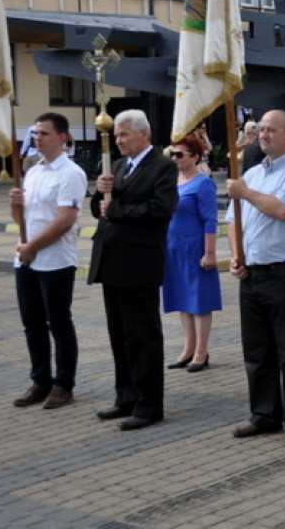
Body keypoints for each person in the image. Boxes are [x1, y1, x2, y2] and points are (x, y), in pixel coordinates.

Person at [227, 109, 285, 446]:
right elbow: (234, 222)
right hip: (252, 273)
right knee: (257, 350)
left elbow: (283, 211)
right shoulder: (250, 173)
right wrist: (237, 255)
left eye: (272, 130)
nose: (264, 135)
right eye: (262, 129)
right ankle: (264, 414)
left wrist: (245, 193)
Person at [89, 109, 177, 431]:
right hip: (112, 261)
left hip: (140, 263)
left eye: (124, 135)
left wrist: (117, 208)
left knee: (143, 336)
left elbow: (161, 210)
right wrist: (99, 190)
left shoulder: (163, 167)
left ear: (144, 135)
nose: (119, 141)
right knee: (119, 336)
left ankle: (149, 404)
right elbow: (99, 210)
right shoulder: (117, 166)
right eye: (117, 136)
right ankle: (125, 396)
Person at [9, 113, 87, 410]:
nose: (37, 137)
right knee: (32, 323)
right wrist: (15, 208)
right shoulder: (33, 171)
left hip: (54, 260)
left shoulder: (71, 173)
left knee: (59, 323)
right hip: (27, 258)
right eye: (35, 133)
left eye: (43, 133)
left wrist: (34, 247)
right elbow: (24, 219)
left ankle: (63, 383)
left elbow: (65, 220)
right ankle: (40, 380)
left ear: (62, 137)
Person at [162, 135, 220, 374]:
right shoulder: (173, 181)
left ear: (195, 157)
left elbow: (210, 219)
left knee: (199, 300)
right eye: (172, 154)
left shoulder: (203, 183)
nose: (174, 158)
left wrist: (210, 252)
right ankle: (188, 348)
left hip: (194, 248)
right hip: (173, 247)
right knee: (182, 300)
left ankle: (201, 351)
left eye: (180, 154)